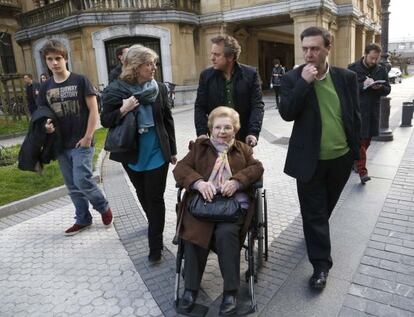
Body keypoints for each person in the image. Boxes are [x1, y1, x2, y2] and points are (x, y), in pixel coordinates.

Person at [279, 27, 360, 290]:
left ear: (328, 47)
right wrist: (304, 82)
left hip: (340, 159)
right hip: (309, 161)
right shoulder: (293, 78)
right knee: (315, 214)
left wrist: (355, 154)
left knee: (322, 211)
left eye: (315, 48)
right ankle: (321, 266)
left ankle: (314, 236)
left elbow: (354, 116)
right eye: (305, 49)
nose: (309, 54)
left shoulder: (346, 77)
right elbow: (287, 113)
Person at [173, 106, 264, 315]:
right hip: (203, 207)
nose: (222, 132)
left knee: (226, 233)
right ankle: (190, 290)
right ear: (211, 129)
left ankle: (230, 292)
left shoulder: (242, 149)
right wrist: (198, 183)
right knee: (195, 231)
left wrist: (238, 182)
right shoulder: (199, 147)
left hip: (232, 209)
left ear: (235, 129)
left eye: (227, 127)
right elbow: (180, 169)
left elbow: (257, 168)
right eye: (217, 127)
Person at [101, 44, 177, 262]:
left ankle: (155, 246)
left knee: (155, 199)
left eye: (154, 63)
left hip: (156, 151)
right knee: (143, 195)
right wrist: (123, 109)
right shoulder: (116, 90)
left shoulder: (159, 88)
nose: (153, 67)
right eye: (148, 64)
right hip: (132, 152)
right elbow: (106, 120)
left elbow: (167, 119)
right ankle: (154, 224)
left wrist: (172, 150)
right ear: (135, 67)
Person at [37, 39, 113, 236]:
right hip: (60, 144)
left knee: (82, 180)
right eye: (50, 59)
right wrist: (46, 126)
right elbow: (43, 114)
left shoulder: (80, 80)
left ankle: (103, 207)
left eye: (58, 58)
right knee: (72, 186)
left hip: (82, 141)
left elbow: (94, 110)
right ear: (46, 61)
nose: (54, 63)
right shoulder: (45, 87)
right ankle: (83, 219)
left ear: (65, 59)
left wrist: (88, 136)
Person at [194, 35, 264, 146]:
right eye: (212, 54)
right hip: (216, 139)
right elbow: (200, 107)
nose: (212, 58)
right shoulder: (206, 76)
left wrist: (253, 132)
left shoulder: (251, 74)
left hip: (243, 139)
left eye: (216, 54)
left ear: (230, 56)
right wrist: (202, 133)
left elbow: (257, 105)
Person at [348, 43, 391, 184]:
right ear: (365, 54)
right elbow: (348, 89)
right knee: (361, 141)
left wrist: (379, 88)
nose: (374, 61)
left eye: (376, 59)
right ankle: (362, 171)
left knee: (367, 141)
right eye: (372, 58)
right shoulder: (353, 68)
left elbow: (387, 89)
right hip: (358, 111)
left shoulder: (381, 69)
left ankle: (356, 160)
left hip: (373, 111)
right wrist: (364, 85)